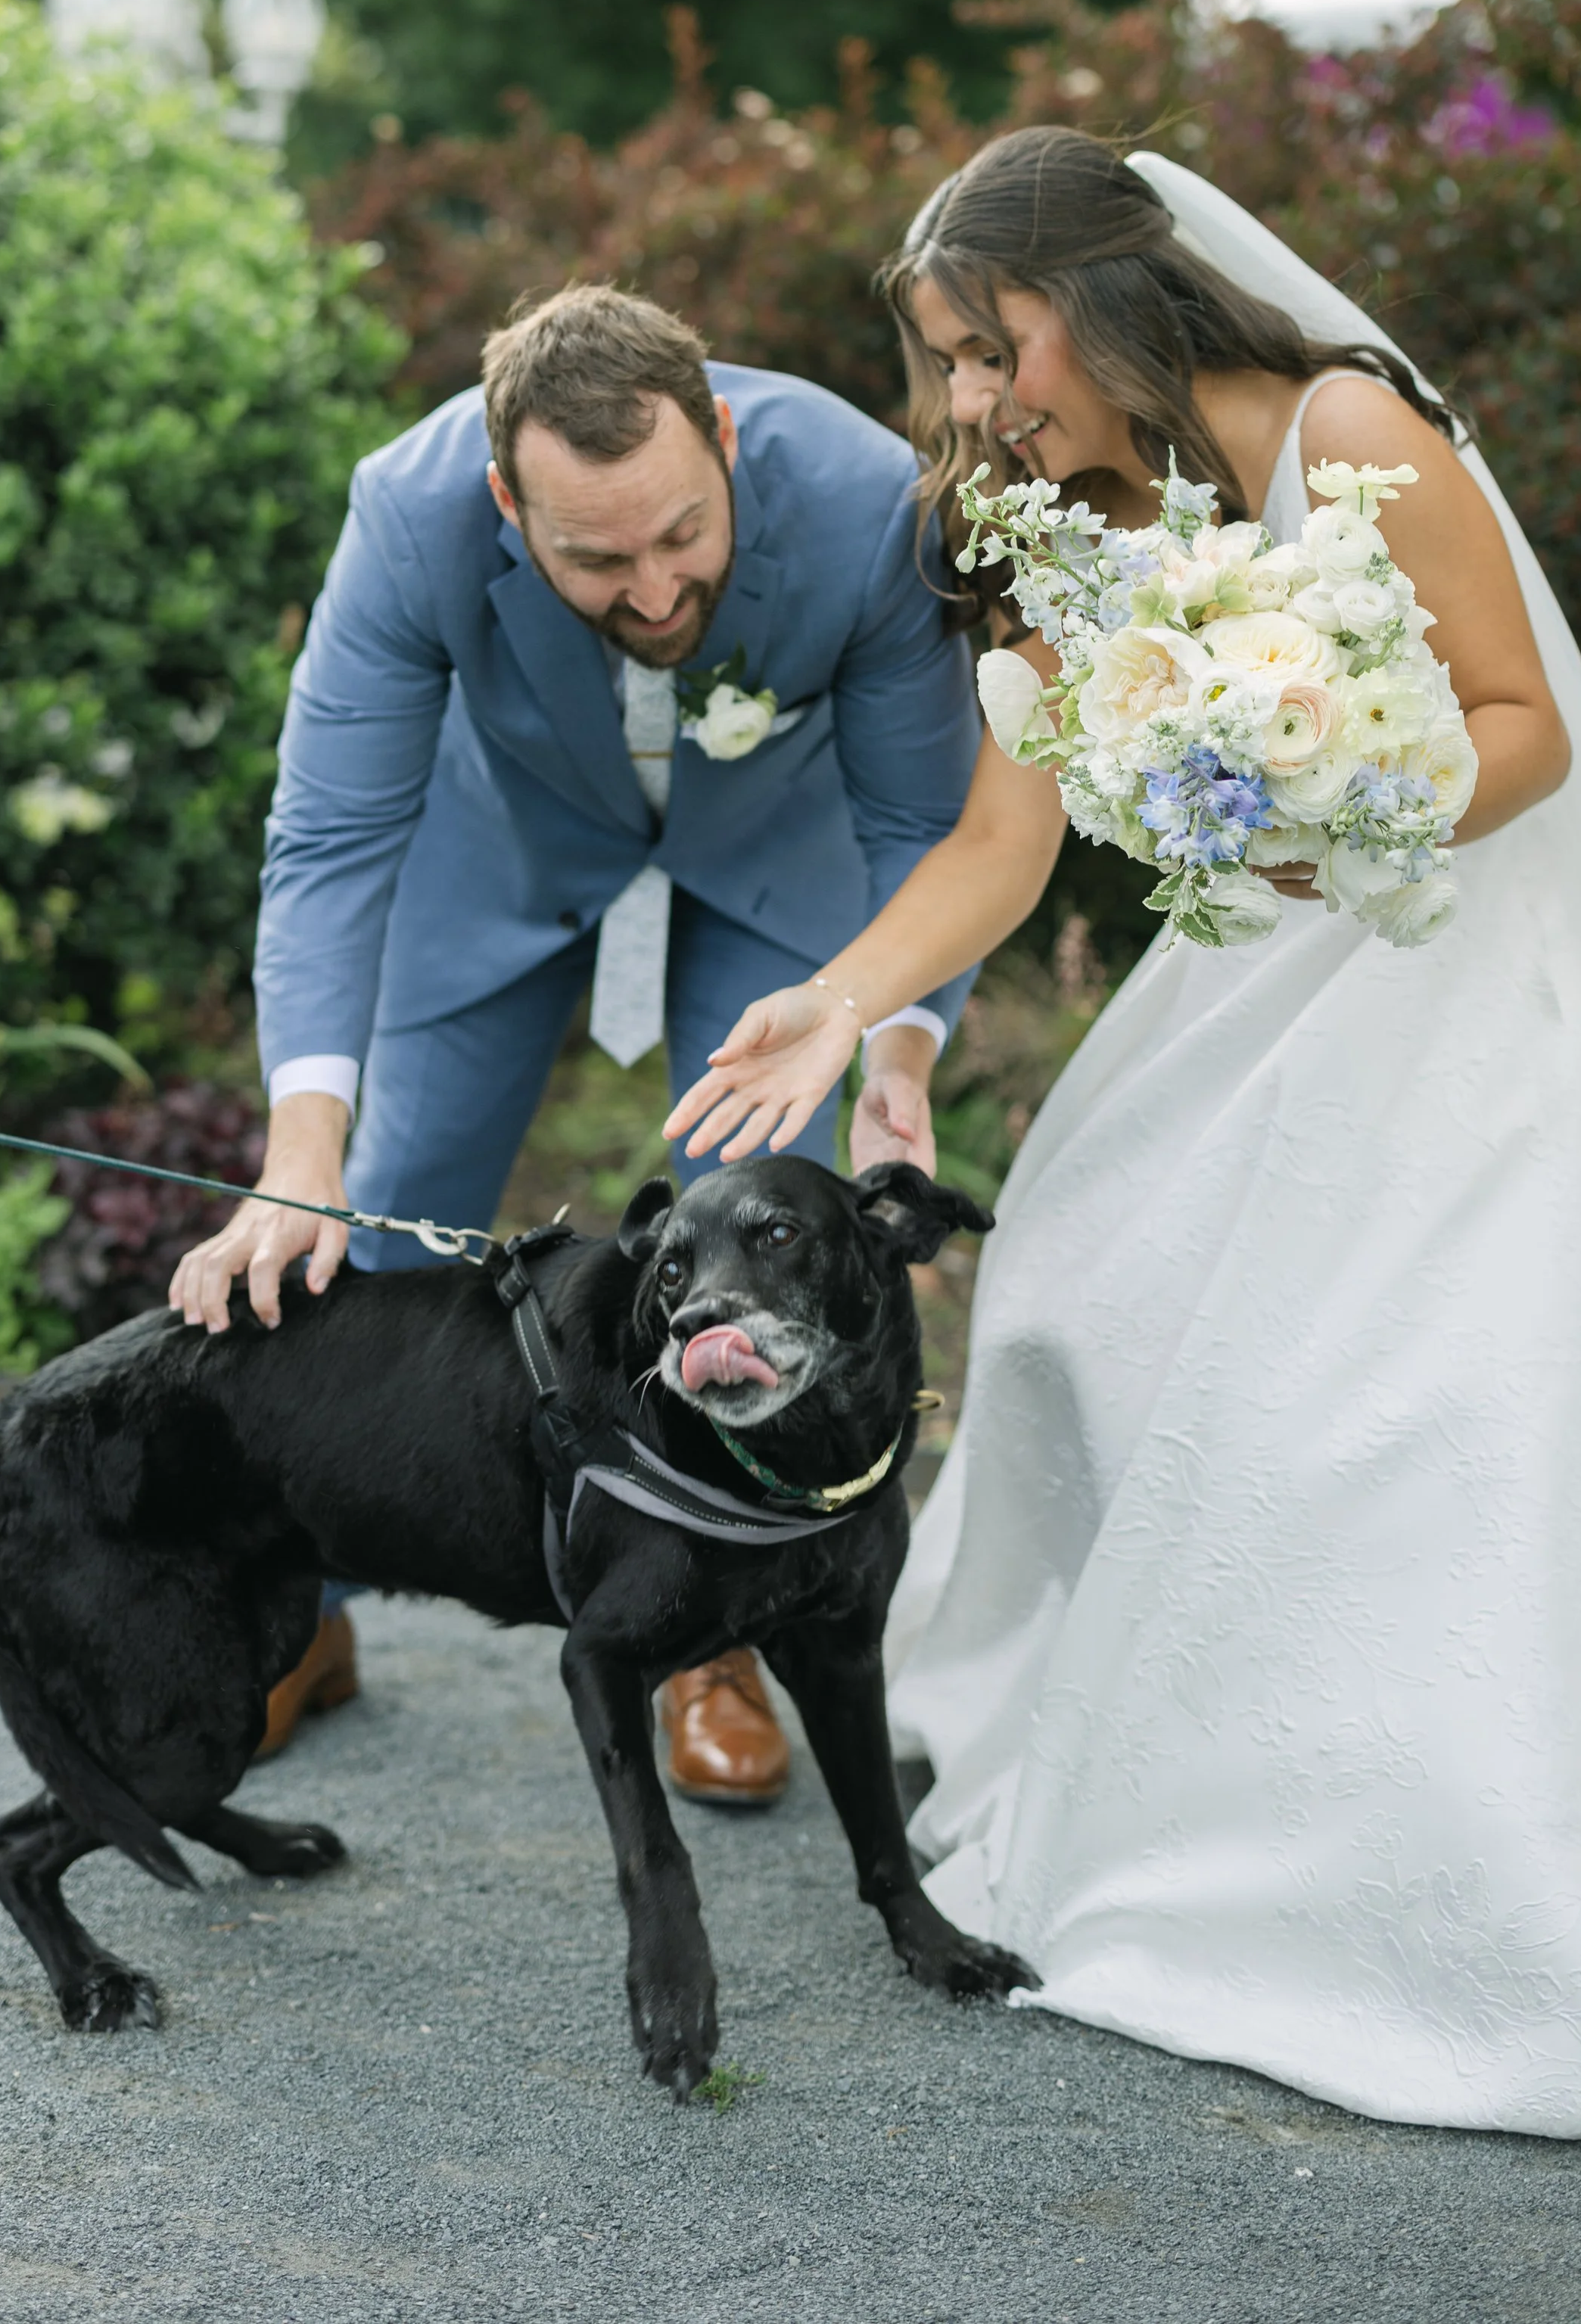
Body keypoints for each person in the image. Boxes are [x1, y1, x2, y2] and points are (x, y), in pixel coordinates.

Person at [666, 126, 1581, 2145]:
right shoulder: (1047, 524)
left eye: (993, 346)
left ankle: (1459, 1844)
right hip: (1261, 972)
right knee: (1085, 1269)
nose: (971, 399)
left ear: (1104, 292)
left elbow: (1522, 724)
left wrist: (1344, 804)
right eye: (945, 363)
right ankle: (1210, 1789)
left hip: (1465, 964)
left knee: (1416, 1397)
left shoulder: (1345, 431)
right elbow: (1001, 844)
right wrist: (843, 995)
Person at [171, 284, 980, 1797]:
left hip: (769, 884)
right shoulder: (408, 515)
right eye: (596, 559)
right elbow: (333, 836)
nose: (656, 589)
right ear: (506, 503)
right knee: (372, 1227)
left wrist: (897, 1056)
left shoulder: (867, 502)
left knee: (754, 1232)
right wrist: (297, 1152)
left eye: (684, 534)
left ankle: (716, 1639)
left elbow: (919, 821)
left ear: (721, 436)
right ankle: (303, 1612)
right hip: (500, 864)